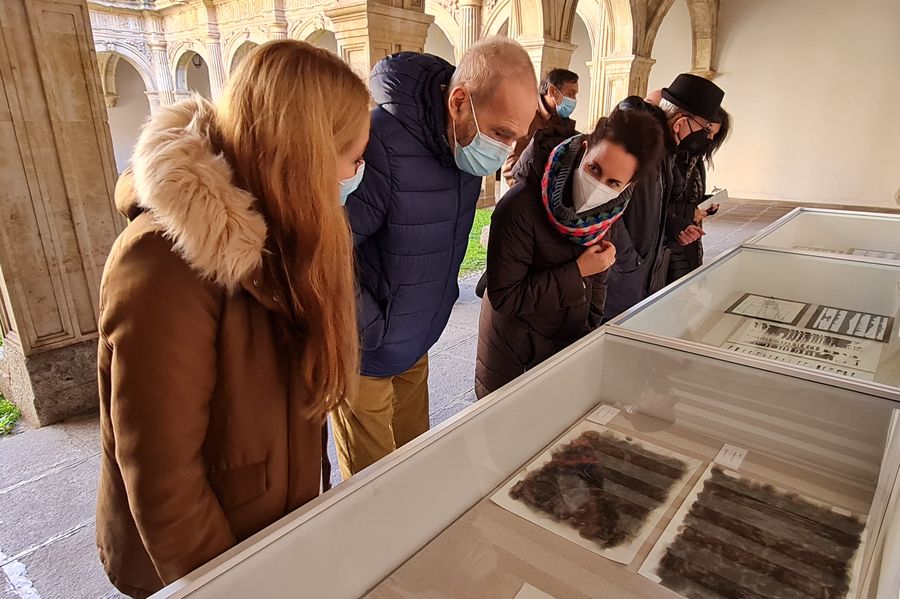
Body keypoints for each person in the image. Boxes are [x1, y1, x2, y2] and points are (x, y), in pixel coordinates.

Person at [95, 41, 369, 598]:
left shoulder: (281, 228)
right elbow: (164, 480)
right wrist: (236, 587)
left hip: (264, 536)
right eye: (351, 159)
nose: (355, 174)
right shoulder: (163, 261)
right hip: (197, 566)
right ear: (305, 159)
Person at [333, 38, 538, 478]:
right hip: (365, 358)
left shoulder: (463, 153)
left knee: (417, 467)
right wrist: (373, 328)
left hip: (417, 342)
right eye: (502, 133)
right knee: (372, 489)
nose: (505, 150)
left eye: (515, 138)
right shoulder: (380, 144)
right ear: (459, 102)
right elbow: (329, 254)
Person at [475, 107, 665, 398]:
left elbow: (598, 280)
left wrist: (587, 332)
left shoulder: (607, 211)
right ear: (585, 148)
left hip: (562, 346)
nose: (598, 187)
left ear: (628, 186)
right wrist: (577, 271)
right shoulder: (520, 205)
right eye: (594, 169)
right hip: (514, 354)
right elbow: (505, 297)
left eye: (613, 183)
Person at [603, 73, 725, 322]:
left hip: (644, 269)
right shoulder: (639, 148)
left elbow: (652, 207)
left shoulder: (666, 153)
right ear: (681, 122)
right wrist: (631, 261)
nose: (706, 138)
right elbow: (609, 208)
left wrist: (673, 225)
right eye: (704, 129)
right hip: (623, 273)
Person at [665, 106, 732, 283]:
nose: (709, 139)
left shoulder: (695, 159)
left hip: (688, 240)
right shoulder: (667, 158)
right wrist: (690, 212)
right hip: (669, 243)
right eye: (708, 130)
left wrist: (705, 203)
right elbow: (652, 208)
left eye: (713, 135)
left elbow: (687, 195)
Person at [501, 68, 579, 188]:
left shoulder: (563, 121)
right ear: (553, 91)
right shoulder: (527, 118)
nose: (574, 100)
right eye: (570, 93)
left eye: (575, 95)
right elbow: (511, 168)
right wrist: (525, 192)